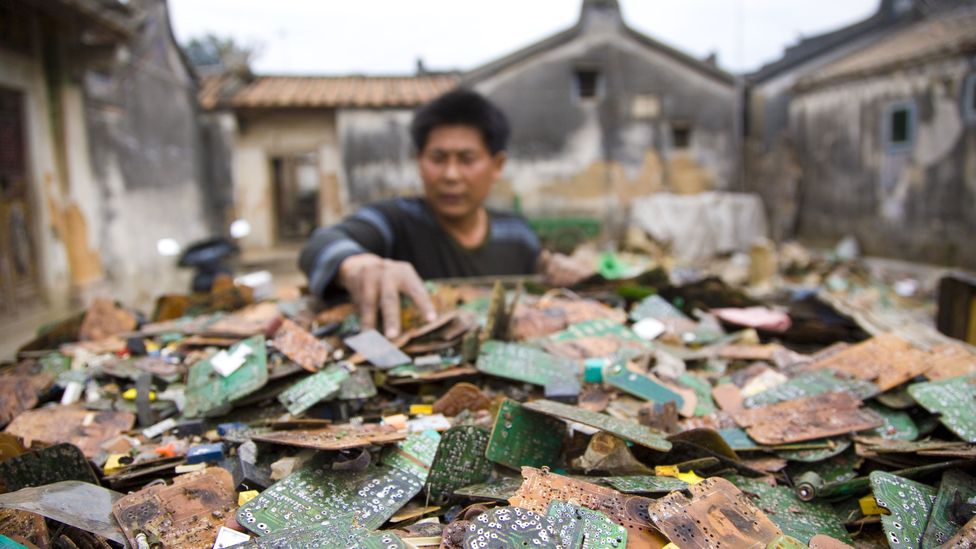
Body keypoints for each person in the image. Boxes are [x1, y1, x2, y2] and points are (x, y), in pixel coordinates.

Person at [299, 89, 591, 338]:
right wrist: (357, 265)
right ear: (419, 161)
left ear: (497, 165)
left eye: (467, 159)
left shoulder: (517, 233)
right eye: (438, 158)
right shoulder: (394, 221)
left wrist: (561, 268)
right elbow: (323, 243)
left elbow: (541, 265)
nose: (451, 175)